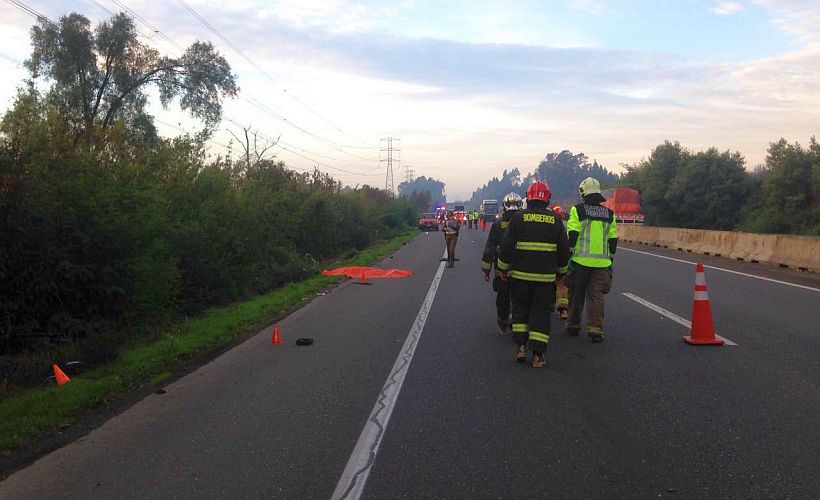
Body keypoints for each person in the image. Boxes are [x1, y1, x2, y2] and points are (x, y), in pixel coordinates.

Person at [497, 181, 570, 368]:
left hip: (520, 277)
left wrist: (503, 269)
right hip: (545, 280)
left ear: (528, 198)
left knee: (520, 311)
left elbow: (506, 247)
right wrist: (561, 273)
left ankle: (521, 347)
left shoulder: (518, 218)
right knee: (540, 314)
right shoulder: (556, 221)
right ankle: (538, 355)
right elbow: (564, 250)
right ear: (547, 199)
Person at [565, 177, 618, 343]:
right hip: (602, 264)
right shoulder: (609, 214)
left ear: (583, 193)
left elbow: (572, 234)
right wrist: (610, 259)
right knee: (596, 297)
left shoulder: (577, 210)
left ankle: (573, 325)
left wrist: (569, 253)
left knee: (576, 294)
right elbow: (613, 239)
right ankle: (596, 329)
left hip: (580, 261)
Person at [481, 192, 523, 335]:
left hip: (501, 269)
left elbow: (490, 247)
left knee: (503, 297)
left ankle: (503, 322)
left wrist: (486, 270)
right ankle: (517, 322)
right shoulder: (524, 223)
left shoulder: (498, 224)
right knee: (519, 297)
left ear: (504, 206)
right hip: (521, 269)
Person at [551, 205, 570, 320]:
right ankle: (563, 310)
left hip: (551, 260)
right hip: (561, 259)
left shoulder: (551, 225)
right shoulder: (565, 226)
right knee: (562, 284)